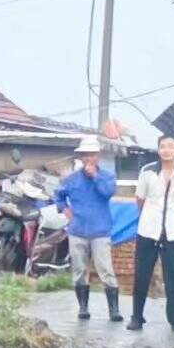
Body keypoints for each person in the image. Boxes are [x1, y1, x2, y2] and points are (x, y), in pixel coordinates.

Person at [128, 134, 174, 333]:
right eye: (162, 146)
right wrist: (151, 216)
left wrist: (173, 218)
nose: (166, 150)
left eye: (170, 146)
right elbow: (140, 199)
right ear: (158, 150)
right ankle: (137, 317)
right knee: (142, 275)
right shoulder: (147, 171)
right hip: (148, 230)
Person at [53, 135, 122, 322]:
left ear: (97, 156)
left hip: (100, 230)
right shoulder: (72, 179)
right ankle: (83, 307)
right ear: (81, 157)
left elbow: (107, 193)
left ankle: (114, 310)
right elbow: (58, 195)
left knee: (105, 269)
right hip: (77, 230)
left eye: (92, 154)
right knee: (79, 270)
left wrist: (95, 177)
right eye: (85, 155)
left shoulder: (107, 177)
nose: (88, 158)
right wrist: (65, 210)